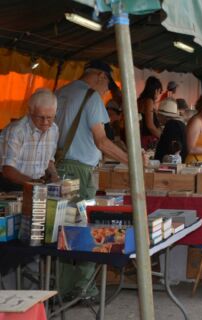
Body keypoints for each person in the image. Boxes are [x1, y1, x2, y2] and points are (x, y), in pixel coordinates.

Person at [55, 59, 128, 301]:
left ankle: (62, 287)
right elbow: (102, 141)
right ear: (100, 76)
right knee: (88, 228)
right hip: (81, 172)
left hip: (60, 169)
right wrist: (131, 161)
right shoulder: (92, 97)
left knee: (63, 229)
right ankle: (84, 288)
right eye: (108, 84)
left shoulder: (61, 93)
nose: (107, 91)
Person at [0, 88, 59, 191]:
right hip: (12, 188)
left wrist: (54, 176)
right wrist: (33, 183)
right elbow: (7, 170)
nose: (45, 122)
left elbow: (49, 161)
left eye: (49, 117)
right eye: (40, 117)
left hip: (38, 186)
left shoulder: (54, 129)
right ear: (30, 111)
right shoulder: (16, 131)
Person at [137, 76, 162, 149]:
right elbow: (150, 126)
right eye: (159, 92)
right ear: (156, 90)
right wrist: (162, 137)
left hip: (143, 138)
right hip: (148, 140)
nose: (158, 95)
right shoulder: (149, 101)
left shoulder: (141, 100)